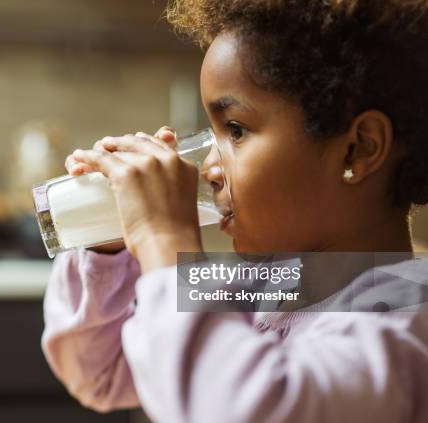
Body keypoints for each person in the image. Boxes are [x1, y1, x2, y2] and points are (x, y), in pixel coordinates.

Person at [41, 1, 428, 421]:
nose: (207, 167)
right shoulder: (264, 287)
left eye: (236, 131)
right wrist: (112, 243)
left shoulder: (402, 324)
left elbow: (244, 409)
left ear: (359, 148)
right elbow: (103, 371)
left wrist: (161, 237)